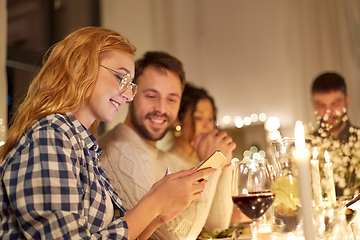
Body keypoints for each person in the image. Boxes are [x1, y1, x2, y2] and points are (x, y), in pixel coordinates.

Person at [0, 27, 216, 240]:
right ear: (82, 68)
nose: (129, 95)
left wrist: (157, 217)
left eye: (130, 84)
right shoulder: (51, 136)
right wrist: (153, 204)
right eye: (121, 78)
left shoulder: (81, 145)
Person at [98, 51, 236, 239]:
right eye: (151, 96)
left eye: (171, 99)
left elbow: (216, 227)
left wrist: (222, 164)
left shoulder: (162, 156)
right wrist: (212, 162)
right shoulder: (119, 150)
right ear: (131, 94)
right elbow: (173, 237)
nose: (161, 109)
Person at [171, 83, 252, 229]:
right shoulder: (167, 165)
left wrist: (224, 163)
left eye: (210, 119)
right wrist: (211, 163)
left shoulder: (209, 157)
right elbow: (208, 227)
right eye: (198, 117)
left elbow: (219, 223)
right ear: (179, 120)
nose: (207, 125)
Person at [311, 72, 358, 142]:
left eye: (335, 104)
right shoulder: (304, 147)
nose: (328, 113)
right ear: (313, 103)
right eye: (321, 105)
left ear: (347, 101)